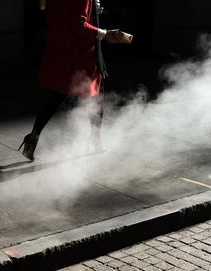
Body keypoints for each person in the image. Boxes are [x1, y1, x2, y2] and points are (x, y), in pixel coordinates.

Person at [18, 0, 130, 161]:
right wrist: (105, 34)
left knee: (56, 96)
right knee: (96, 96)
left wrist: (92, 10)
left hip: (61, 49)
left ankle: (33, 137)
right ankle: (95, 141)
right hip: (80, 54)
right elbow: (79, 25)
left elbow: (61, 15)